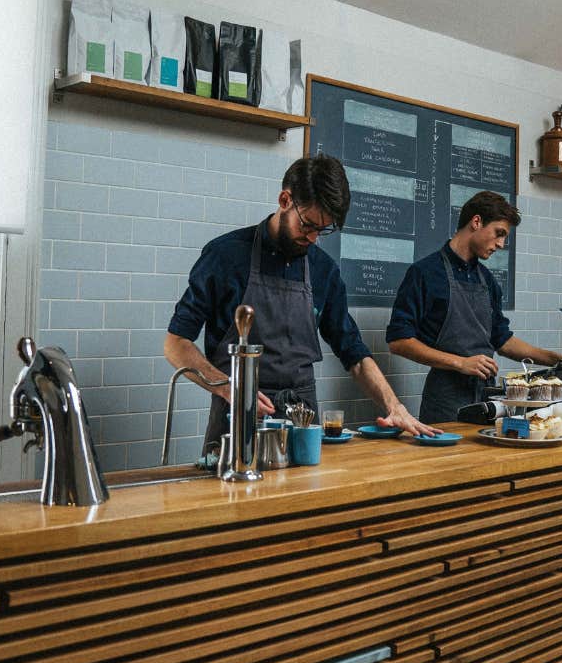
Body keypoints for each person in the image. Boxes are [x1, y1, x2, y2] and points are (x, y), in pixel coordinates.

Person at [165, 155, 436, 451]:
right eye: (307, 225)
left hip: (303, 423)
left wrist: (393, 405)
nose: (313, 238)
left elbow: (354, 354)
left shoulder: (324, 270)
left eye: (323, 230)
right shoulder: (225, 256)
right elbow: (176, 343)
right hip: (237, 418)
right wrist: (231, 388)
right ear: (285, 200)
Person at [386, 190, 562, 424]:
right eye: (499, 234)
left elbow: (503, 341)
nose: (501, 244)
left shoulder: (488, 281)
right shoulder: (424, 273)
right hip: (445, 400)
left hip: (487, 398)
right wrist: (461, 363)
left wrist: (557, 361)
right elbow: (399, 341)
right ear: (476, 222)